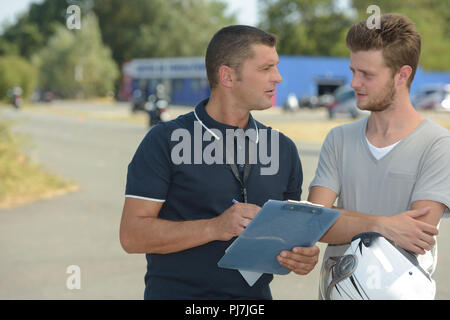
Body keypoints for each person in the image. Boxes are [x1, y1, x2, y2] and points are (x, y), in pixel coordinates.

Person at [120, 25, 320, 300]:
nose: (278, 78)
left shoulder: (283, 148)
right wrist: (215, 227)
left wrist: (300, 256)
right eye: (266, 69)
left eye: (276, 67)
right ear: (227, 75)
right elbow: (132, 235)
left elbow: (284, 239)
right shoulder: (164, 141)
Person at [280, 13, 450, 299]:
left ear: (402, 74)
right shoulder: (338, 139)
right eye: (353, 71)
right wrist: (381, 225)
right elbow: (312, 223)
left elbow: (415, 236)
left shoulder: (438, 145)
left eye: (367, 74)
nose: (354, 83)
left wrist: (338, 219)